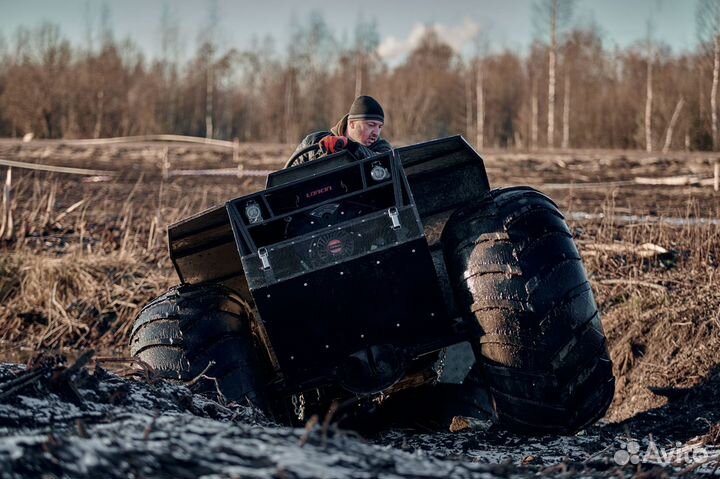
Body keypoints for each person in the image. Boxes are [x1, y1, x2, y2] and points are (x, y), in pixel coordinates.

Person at [287, 95, 392, 167]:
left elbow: (385, 162)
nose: (376, 133)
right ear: (352, 124)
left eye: (379, 127)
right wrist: (319, 156)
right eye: (371, 125)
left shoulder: (382, 148)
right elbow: (285, 178)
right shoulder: (312, 141)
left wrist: (349, 146)